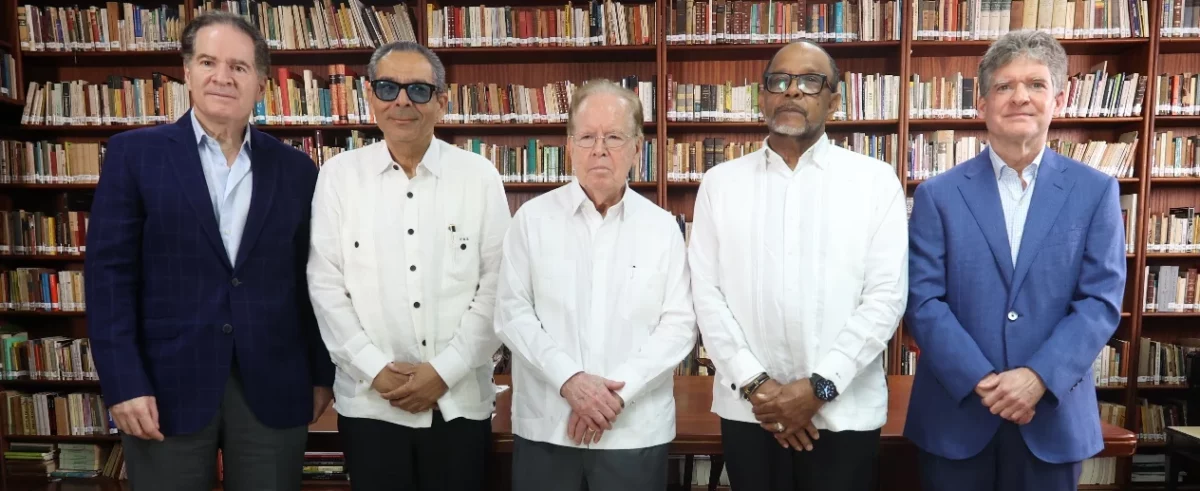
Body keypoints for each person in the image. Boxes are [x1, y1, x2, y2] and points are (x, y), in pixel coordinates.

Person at [84, 11, 335, 491]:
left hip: (274, 385)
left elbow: (312, 279)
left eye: (239, 66)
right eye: (208, 62)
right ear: (187, 72)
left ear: (261, 83)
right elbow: (108, 279)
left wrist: (321, 374)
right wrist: (123, 382)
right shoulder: (135, 156)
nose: (222, 77)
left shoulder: (297, 170)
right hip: (163, 388)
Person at [904, 30, 1127, 491]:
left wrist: (1037, 378)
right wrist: (981, 379)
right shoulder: (937, 195)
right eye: (1004, 86)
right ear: (982, 104)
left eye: (1036, 84)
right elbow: (922, 301)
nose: (1020, 97)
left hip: (1051, 417)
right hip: (957, 414)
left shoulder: (1095, 191)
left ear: (1059, 100)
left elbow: (1100, 301)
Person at [687, 41, 908, 491]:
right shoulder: (720, 184)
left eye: (810, 81)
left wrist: (819, 389)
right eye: (779, 81)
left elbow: (885, 298)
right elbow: (706, 295)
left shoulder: (874, 182)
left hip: (843, 413)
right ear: (762, 96)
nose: (792, 91)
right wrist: (759, 388)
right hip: (751, 411)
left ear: (835, 100)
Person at [306, 41, 510, 491]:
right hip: (370, 405)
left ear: (442, 101)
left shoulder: (479, 177)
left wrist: (444, 371)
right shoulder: (338, 177)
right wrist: (375, 369)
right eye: (388, 88)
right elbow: (325, 287)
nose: (402, 101)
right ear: (369, 95)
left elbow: (498, 287)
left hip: (458, 404)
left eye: (418, 89)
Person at [493, 79, 697, 491]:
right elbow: (512, 314)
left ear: (637, 148)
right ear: (569, 147)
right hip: (548, 428)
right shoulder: (531, 221)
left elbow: (679, 325)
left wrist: (615, 395)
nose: (599, 149)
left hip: (634, 431)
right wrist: (570, 381)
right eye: (587, 137)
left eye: (614, 137)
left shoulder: (662, 229)